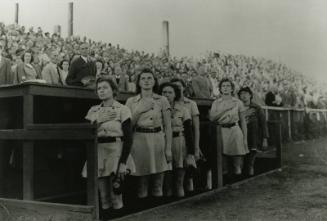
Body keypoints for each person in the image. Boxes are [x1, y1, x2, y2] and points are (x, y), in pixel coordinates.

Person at [81, 77, 135, 218]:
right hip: (98, 152)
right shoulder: (93, 110)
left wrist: (123, 162)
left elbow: (128, 138)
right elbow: (85, 134)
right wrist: (99, 121)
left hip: (116, 152)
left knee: (116, 194)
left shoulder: (123, 109)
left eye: (105, 87)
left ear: (113, 90)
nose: (102, 91)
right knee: (103, 196)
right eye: (99, 88)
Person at [125, 68, 172, 200]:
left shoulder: (162, 100)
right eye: (143, 78)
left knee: (158, 183)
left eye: (149, 78)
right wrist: (139, 110)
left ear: (154, 81)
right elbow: (128, 126)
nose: (146, 81)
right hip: (139, 141)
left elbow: (168, 126)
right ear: (138, 82)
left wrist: (168, 149)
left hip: (157, 140)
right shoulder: (131, 101)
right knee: (142, 183)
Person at [159, 82, 196, 197]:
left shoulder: (183, 109)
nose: (167, 95)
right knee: (167, 180)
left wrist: (191, 153)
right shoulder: (156, 109)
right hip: (163, 142)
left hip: (179, 141)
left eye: (170, 92)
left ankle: (182, 206)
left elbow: (189, 132)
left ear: (175, 94)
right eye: (164, 92)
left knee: (179, 180)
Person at [209, 78, 248, 175]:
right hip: (222, 131)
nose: (225, 88)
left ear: (232, 89)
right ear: (220, 89)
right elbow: (212, 118)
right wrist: (225, 109)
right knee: (223, 162)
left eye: (228, 86)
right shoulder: (216, 102)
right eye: (223, 86)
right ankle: (226, 186)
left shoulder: (238, 102)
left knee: (237, 162)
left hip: (235, 130)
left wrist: (245, 138)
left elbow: (243, 121)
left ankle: (237, 183)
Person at [238, 87, 268, 176]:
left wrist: (265, 139)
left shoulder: (257, 108)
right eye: (241, 94)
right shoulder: (237, 108)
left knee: (250, 162)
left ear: (250, 95)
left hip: (253, 138)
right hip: (241, 137)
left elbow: (263, 124)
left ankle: (250, 175)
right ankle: (241, 178)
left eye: (246, 94)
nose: (243, 96)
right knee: (240, 162)